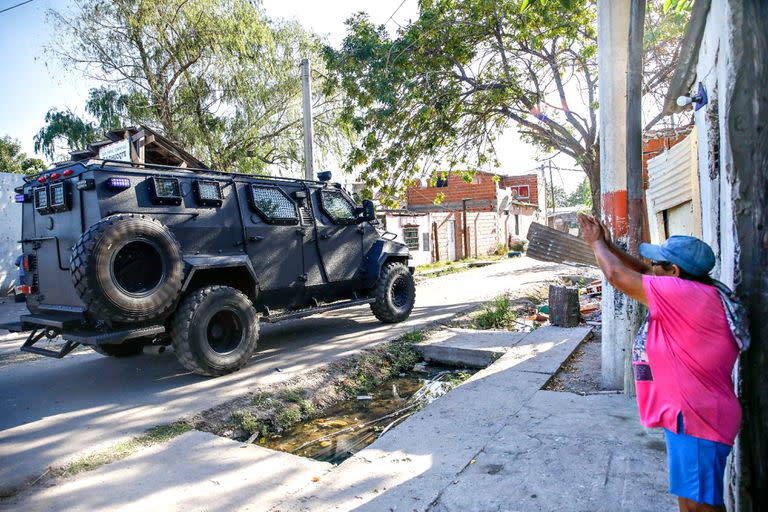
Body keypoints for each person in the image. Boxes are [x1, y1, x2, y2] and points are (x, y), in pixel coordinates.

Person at [577, 214, 749, 512]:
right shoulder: (698, 289)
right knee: (690, 502)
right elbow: (643, 269)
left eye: (659, 264)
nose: (651, 268)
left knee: (701, 507)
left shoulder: (682, 295)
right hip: (694, 415)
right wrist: (606, 244)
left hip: (698, 417)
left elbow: (617, 276)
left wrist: (595, 244)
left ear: (675, 271)